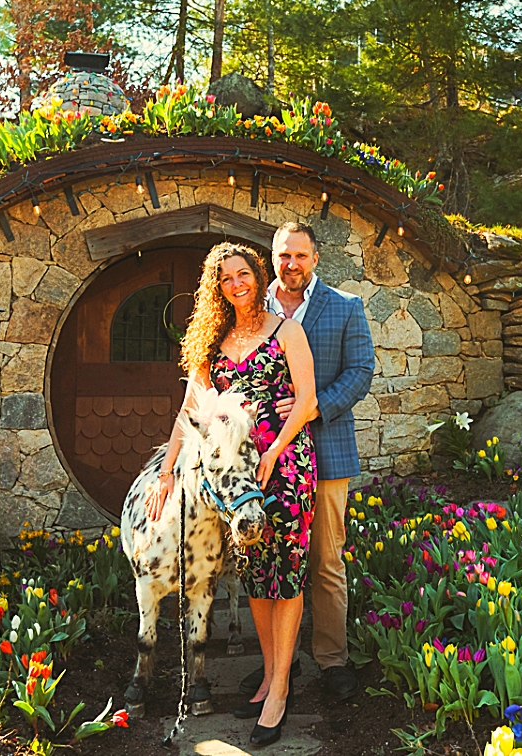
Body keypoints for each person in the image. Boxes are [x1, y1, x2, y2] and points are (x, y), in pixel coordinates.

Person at [145, 241, 318, 747]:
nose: (236, 283)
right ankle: (267, 674)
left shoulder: (286, 330)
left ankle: (281, 690)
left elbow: (305, 399)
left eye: (243, 274)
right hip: (236, 476)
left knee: (286, 574)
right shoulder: (213, 340)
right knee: (257, 575)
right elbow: (189, 409)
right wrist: (166, 470)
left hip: (286, 467)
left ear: (257, 276)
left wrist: (274, 451)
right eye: (225, 278)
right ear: (215, 287)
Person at [262, 221, 374, 705]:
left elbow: (360, 373)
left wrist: (313, 405)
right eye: (284, 255)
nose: (291, 264)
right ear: (272, 256)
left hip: (327, 449)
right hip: (263, 459)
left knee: (326, 561)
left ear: (315, 259)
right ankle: (271, 667)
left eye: (300, 256)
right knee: (265, 560)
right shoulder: (249, 309)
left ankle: (331, 660)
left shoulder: (345, 308)